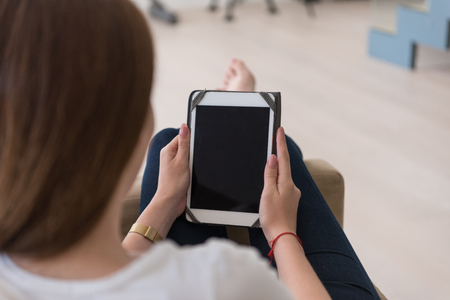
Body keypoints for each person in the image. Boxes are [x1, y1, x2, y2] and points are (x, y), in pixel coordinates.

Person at [0, 0, 380, 299]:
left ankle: (235, 120)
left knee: (179, 147)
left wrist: (162, 206)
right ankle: (244, 123)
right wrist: (281, 232)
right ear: (131, 130)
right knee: (272, 149)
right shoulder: (222, 280)